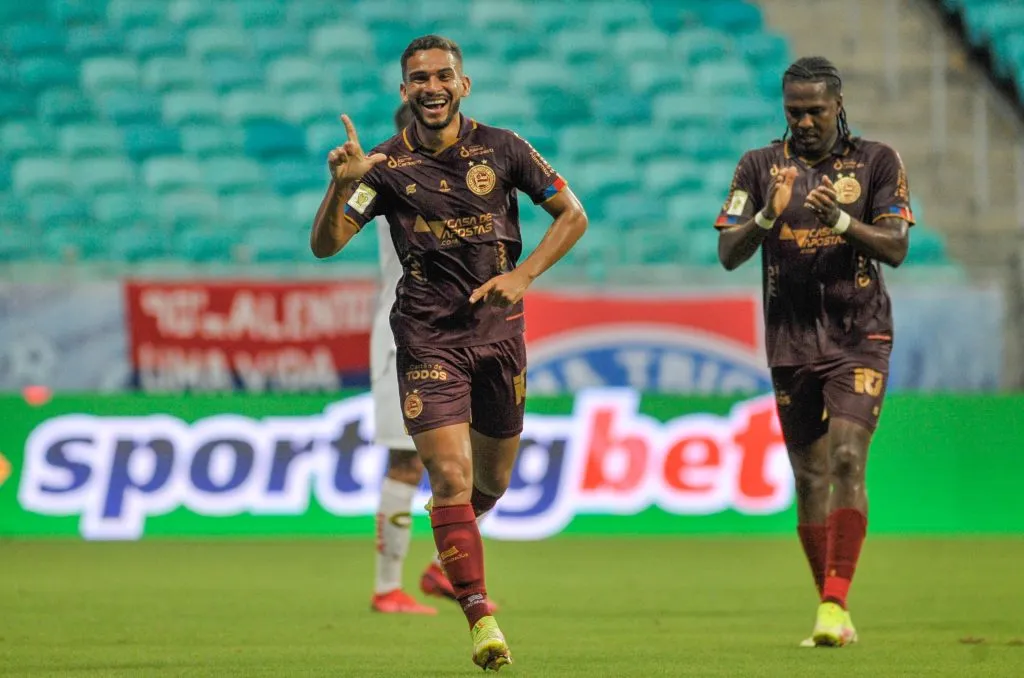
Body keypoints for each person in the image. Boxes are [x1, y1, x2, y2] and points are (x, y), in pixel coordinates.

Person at [311, 35, 587, 671]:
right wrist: (339, 185)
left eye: (443, 77)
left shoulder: (505, 147)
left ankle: (450, 542)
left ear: (464, 85)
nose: (431, 87)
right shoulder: (380, 164)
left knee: (491, 482)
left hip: (499, 337)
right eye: (418, 79)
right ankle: (481, 617)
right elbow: (325, 245)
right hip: (426, 338)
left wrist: (525, 275)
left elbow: (573, 215)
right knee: (450, 477)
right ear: (404, 91)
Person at [714, 56, 912, 648]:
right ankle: (832, 607)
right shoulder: (758, 166)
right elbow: (728, 253)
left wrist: (845, 223)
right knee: (808, 477)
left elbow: (896, 248)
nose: (803, 122)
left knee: (848, 459)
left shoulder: (877, 161)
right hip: (790, 340)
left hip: (859, 335)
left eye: (815, 111)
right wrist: (769, 215)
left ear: (838, 105)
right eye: (794, 111)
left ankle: (833, 602)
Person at [368, 102, 498, 617]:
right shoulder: (387, 176)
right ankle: (386, 588)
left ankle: (441, 565)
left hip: (465, 335)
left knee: (478, 463)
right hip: (407, 332)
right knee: (406, 460)